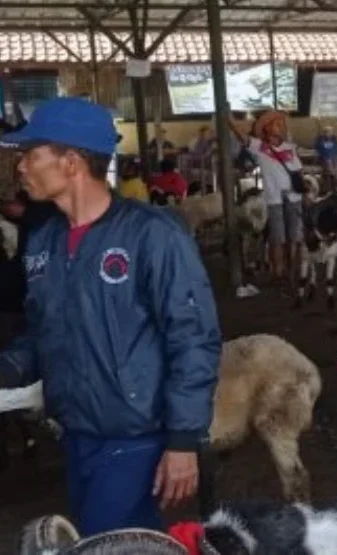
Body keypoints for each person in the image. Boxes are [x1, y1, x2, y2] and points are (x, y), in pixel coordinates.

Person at [0, 96, 220, 536]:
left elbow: (193, 337)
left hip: (135, 437)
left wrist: (182, 440)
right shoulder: (44, 241)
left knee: (107, 543)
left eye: (31, 153)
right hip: (76, 432)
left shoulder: (152, 234)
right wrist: (8, 366)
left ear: (72, 161)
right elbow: (44, 331)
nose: (20, 166)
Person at [230, 110, 303, 280]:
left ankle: (292, 269)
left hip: (293, 196)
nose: (281, 126)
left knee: (293, 235)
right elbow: (242, 136)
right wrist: (230, 121)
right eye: (276, 124)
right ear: (267, 129)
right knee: (278, 237)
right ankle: (279, 271)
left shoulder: (289, 148)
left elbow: (299, 171)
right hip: (274, 198)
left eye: (280, 123)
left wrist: (303, 191)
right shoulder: (260, 147)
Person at [314, 125, 337, 191]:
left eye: (330, 131)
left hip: (334, 158)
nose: (328, 133)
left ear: (332, 132)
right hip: (324, 158)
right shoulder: (320, 139)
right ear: (323, 132)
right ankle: (334, 184)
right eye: (326, 131)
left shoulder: (335, 139)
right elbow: (317, 147)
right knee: (329, 163)